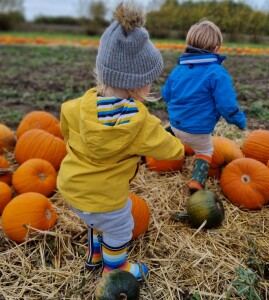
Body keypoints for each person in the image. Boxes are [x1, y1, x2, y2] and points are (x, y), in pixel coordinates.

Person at [57, 2, 184, 282]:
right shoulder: (139, 122)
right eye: (150, 79)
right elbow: (168, 149)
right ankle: (115, 270)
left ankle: (94, 256)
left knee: (95, 220)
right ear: (139, 83)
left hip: (71, 187)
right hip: (105, 197)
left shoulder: (77, 106)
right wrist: (178, 143)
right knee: (120, 228)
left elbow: (66, 127)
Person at [161, 20, 246, 194]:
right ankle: (197, 182)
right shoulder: (216, 73)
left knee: (171, 130)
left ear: (188, 45)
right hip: (197, 132)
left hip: (176, 124)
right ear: (216, 48)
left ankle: (155, 140)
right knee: (206, 150)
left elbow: (166, 94)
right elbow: (226, 105)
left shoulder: (178, 70)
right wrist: (239, 121)